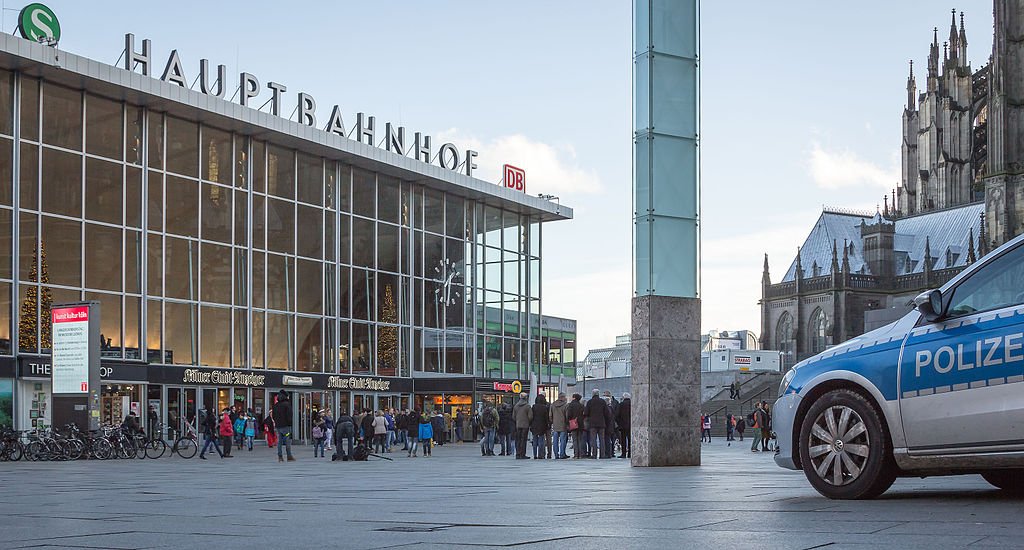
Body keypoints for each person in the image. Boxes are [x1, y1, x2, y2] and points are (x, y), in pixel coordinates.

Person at [584, 389, 608, 459]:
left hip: (592, 424)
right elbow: (606, 413)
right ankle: (602, 455)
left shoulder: (590, 402)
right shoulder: (602, 402)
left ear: (593, 394)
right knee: (602, 439)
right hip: (601, 423)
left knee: (593, 439)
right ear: (598, 394)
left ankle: (594, 454)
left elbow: (586, 413)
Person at [272, 390, 295, 462]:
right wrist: (290, 424)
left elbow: (274, 416)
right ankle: (289, 456)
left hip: (278, 426)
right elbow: (289, 416)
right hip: (286, 426)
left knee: (279, 441)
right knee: (287, 440)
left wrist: (276, 422)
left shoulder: (275, 405)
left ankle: (280, 456)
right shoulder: (287, 404)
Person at [512, 393, 533, 459]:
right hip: (525, 425)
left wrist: (517, 421)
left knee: (518, 440)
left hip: (518, 425)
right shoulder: (527, 406)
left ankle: (518, 454)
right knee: (523, 440)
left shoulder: (516, 406)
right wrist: (528, 421)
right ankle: (522, 454)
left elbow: (513, 417)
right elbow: (530, 416)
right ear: (526, 398)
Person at [530, 394, 550, 459]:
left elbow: (531, 417)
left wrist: (530, 424)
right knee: (541, 440)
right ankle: (540, 454)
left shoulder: (533, 407)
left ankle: (535, 454)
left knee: (535, 440)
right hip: (542, 425)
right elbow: (546, 418)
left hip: (534, 425)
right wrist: (548, 424)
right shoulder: (545, 407)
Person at [549, 392, 569, 459]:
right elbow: (567, 416)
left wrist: (552, 421)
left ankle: (556, 454)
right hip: (563, 425)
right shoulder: (565, 405)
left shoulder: (552, 405)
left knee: (555, 441)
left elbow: (550, 415)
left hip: (555, 425)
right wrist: (567, 423)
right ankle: (562, 454)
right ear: (563, 397)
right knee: (563, 440)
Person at [566, 393, 585, 459]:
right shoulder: (581, 405)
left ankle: (576, 454)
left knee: (574, 439)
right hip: (580, 424)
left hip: (573, 423)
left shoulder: (571, 405)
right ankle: (580, 454)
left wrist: (568, 421)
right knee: (580, 439)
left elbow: (569, 415)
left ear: (574, 398)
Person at [604, 391, 620, 459]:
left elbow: (616, 413)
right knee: (611, 438)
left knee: (610, 439)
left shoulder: (613, 404)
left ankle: (610, 452)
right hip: (612, 424)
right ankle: (610, 452)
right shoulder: (614, 403)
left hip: (611, 424)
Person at [617, 392, 631, 458]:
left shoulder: (621, 404)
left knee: (623, 440)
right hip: (631, 425)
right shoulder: (632, 404)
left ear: (624, 397)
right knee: (630, 440)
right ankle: (630, 453)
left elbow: (617, 415)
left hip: (623, 425)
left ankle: (623, 454)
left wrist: (619, 422)